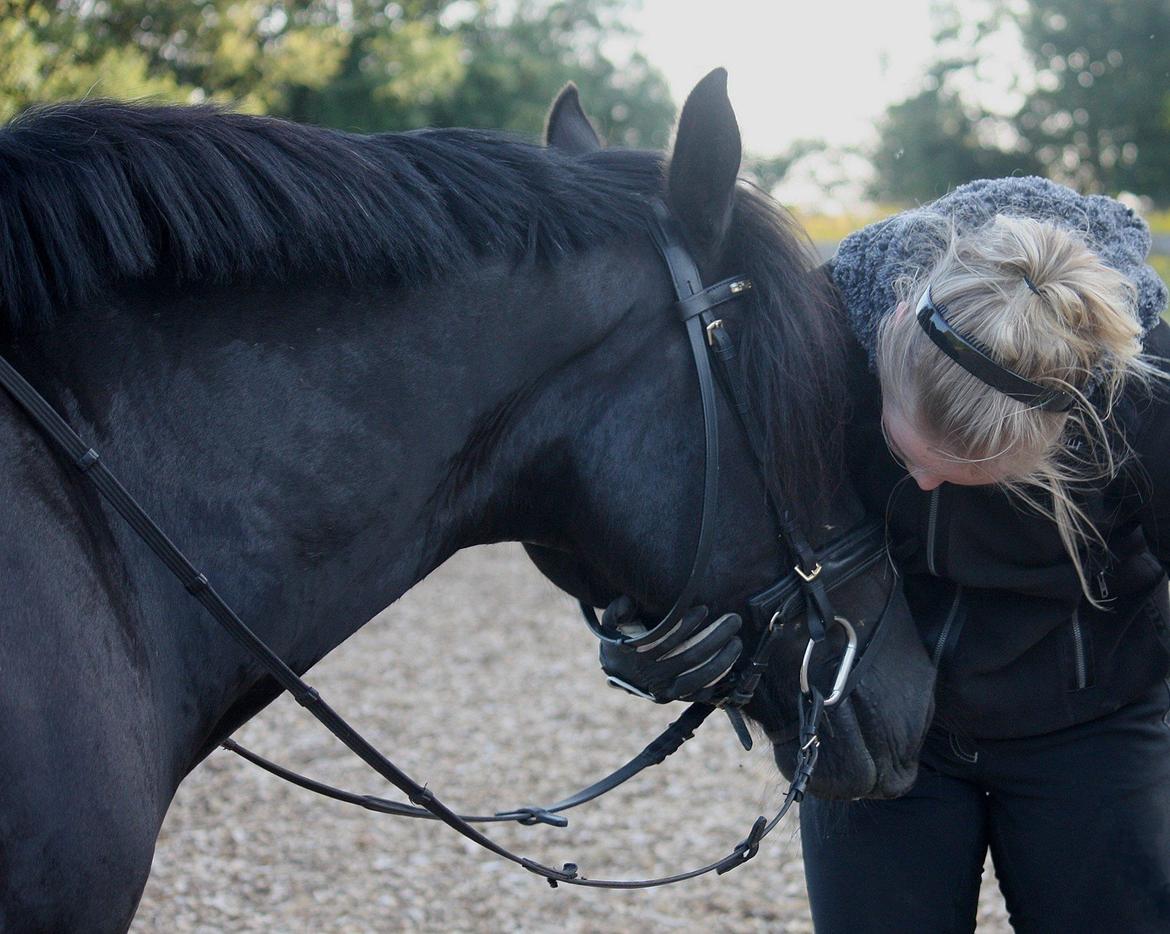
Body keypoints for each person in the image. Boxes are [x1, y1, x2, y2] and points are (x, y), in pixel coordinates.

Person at [598, 176, 1170, 932]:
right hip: (865, 710)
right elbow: (688, 492)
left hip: (1094, 720)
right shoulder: (813, 335)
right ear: (888, 330)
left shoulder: (1141, 382)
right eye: (911, 460)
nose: (927, 481)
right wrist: (651, 621)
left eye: (973, 476)